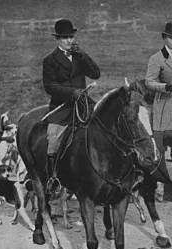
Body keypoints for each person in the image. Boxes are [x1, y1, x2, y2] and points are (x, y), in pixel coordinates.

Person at [43, 18, 100, 193]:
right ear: (57, 39)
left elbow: (95, 74)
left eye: (71, 36)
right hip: (63, 107)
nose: (69, 40)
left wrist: (83, 55)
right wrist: (71, 92)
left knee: (104, 124)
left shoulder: (78, 55)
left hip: (83, 104)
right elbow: (49, 86)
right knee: (53, 139)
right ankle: (53, 178)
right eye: (65, 37)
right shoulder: (50, 60)